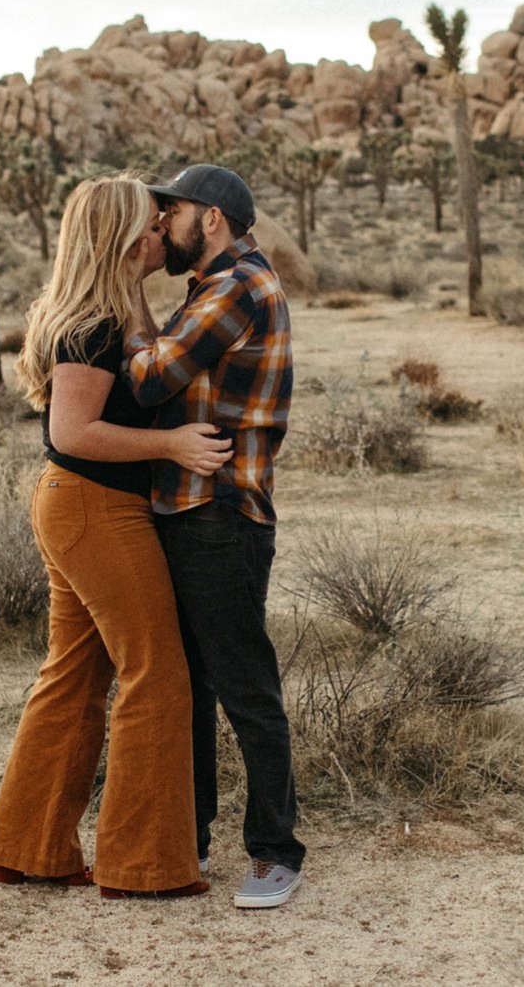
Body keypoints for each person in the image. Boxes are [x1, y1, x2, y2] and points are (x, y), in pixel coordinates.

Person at [0, 175, 231, 899]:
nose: (164, 236)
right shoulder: (91, 320)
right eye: (153, 226)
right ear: (125, 239)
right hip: (95, 507)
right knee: (157, 670)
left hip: (75, 505)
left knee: (76, 674)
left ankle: (29, 848)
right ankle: (144, 865)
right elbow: (73, 431)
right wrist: (174, 445)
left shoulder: (110, 307)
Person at [126, 162, 304, 910]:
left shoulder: (236, 287)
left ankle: (275, 851)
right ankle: (190, 836)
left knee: (241, 684)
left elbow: (149, 380)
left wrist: (126, 288)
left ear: (215, 219)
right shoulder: (213, 287)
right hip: (194, 509)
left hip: (219, 514)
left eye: (172, 211)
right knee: (195, 683)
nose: (161, 224)